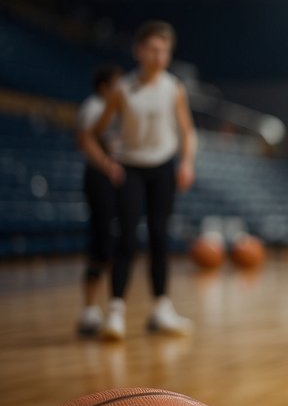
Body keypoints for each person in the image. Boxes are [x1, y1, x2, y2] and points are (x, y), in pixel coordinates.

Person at [80, 20, 197, 339]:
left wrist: (186, 162)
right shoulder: (122, 90)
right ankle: (115, 311)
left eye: (165, 51)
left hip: (163, 167)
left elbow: (187, 130)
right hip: (130, 167)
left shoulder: (174, 88)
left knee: (160, 236)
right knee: (127, 238)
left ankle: (161, 308)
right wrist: (106, 163)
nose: (160, 56)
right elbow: (90, 135)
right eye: (154, 49)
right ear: (139, 51)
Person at [73, 64, 123, 336]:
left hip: (114, 178)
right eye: (117, 82)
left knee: (113, 243)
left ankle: (111, 308)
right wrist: (108, 165)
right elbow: (85, 141)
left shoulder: (116, 112)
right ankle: (89, 310)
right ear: (104, 86)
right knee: (101, 240)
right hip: (99, 178)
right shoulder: (93, 107)